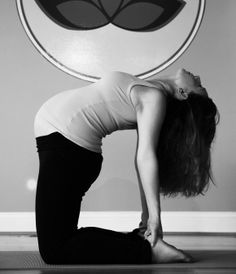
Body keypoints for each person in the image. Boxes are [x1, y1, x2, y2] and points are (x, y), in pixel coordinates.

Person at [34, 69, 219, 265]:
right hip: (64, 147)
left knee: (55, 249)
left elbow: (145, 157)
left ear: (183, 93)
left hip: (67, 148)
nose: (198, 77)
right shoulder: (152, 91)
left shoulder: (154, 98)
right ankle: (142, 243)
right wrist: (145, 223)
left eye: (199, 86)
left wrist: (154, 220)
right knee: (61, 240)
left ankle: (147, 251)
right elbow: (142, 162)